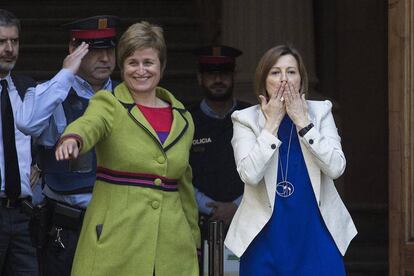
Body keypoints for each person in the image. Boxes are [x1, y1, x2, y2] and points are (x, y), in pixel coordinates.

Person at [54, 21, 200, 276]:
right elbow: (90, 123)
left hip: (172, 251)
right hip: (115, 245)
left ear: (162, 67)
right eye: (133, 62)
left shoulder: (183, 118)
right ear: (122, 67)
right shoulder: (109, 103)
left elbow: (184, 185)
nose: (140, 70)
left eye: (148, 62)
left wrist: (194, 242)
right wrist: (73, 138)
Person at [224, 44, 358, 275]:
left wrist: (304, 123)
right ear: (264, 80)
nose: (284, 79)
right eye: (275, 73)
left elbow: (336, 168)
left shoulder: (321, 112)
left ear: (301, 79)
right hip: (264, 237)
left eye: (291, 72)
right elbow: (249, 174)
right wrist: (271, 124)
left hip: (315, 233)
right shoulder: (245, 119)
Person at [15, 15, 119, 276]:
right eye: (94, 50)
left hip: (117, 222)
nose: (105, 58)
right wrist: (65, 74)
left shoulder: (126, 95)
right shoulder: (53, 92)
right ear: (73, 50)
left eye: (109, 49)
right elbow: (27, 123)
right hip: (66, 226)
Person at [189, 45, 249, 230]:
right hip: (197, 222)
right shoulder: (185, 119)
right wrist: (209, 207)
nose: (217, 80)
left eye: (224, 73)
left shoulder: (252, 116)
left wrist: (236, 206)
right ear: (200, 78)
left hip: (247, 219)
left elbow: (267, 172)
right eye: (210, 74)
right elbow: (177, 172)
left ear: (234, 76)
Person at [0, 9, 39, 276]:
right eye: (1, 42)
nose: (9, 49)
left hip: (23, 215)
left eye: (14, 41)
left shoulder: (27, 87)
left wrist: (41, 164)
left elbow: (46, 137)